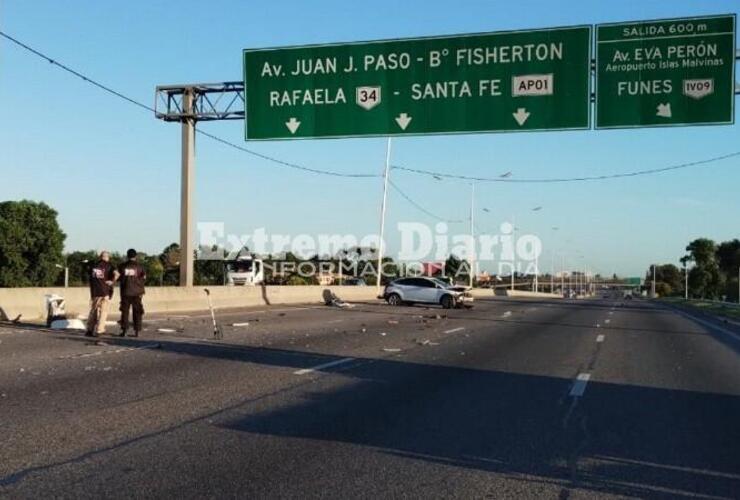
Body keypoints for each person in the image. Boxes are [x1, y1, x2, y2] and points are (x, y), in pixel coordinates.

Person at [86, 251, 117, 337]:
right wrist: (112, 282)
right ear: (107, 257)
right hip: (105, 292)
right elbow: (117, 274)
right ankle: (100, 330)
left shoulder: (93, 265)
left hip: (95, 292)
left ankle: (89, 330)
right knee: (103, 312)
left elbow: (89, 274)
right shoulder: (109, 265)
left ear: (100, 257)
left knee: (93, 311)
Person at [117, 248, 146, 337]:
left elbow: (118, 278)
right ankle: (137, 330)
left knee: (125, 312)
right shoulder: (140, 266)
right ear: (135, 256)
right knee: (137, 311)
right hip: (137, 292)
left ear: (127, 256)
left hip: (125, 292)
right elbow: (144, 277)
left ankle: (124, 330)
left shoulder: (122, 266)